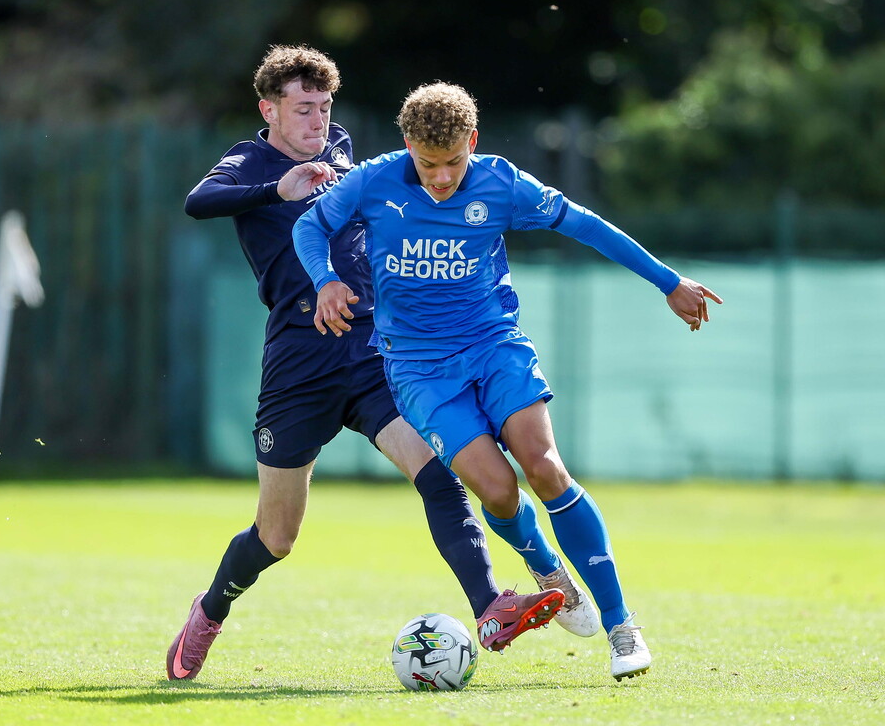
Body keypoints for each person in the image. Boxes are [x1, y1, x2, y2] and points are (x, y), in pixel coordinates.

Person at [167, 49, 595, 681]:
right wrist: (276, 189)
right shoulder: (250, 162)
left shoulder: (343, 153)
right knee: (276, 537)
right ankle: (209, 612)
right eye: (302, 108)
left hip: (376, 353)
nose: (316, 119)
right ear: (270, 110)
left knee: (438, 469)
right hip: (298, 365)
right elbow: (199, 201)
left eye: (323, 107)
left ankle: (489, 605)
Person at [293, 81, 724, 681]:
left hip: (495, 348)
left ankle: (622, 626)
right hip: (417, 367)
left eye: (452, 163)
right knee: (496, 490)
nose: (441, 178)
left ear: (472, 142)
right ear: (408, 147)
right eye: (427, 164)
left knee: (543, 466)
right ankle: (549, 572)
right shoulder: (373, 180)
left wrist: (667, 282)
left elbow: (587, 226)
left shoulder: (501, 183)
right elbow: (309, 228)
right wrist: (325, 279)